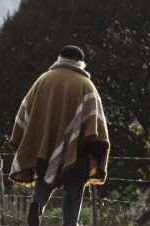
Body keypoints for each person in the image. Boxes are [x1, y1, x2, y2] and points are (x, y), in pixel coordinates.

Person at [8, 45, 110, 226]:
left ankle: (36, 204)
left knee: (44, 182)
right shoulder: (86, 85)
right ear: (81, 63)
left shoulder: (42, 81)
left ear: (59, 58)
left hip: (44, 148)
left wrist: (30, 142)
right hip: (77, 152)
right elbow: (95, 123)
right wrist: (96, 151)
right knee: (73, 190)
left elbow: (23, 114)